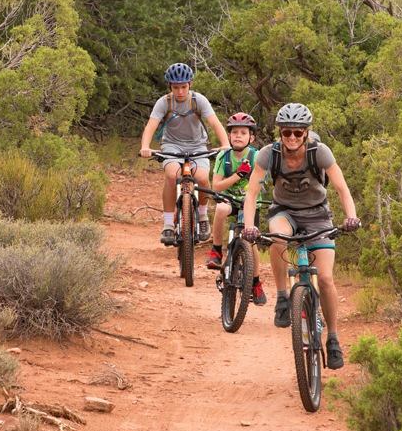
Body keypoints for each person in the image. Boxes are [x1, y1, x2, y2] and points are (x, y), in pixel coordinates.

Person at [240, 103, 361, 369]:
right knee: (277, 237)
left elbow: (342, 188)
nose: (292, 137)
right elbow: (251, 194)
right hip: (285, 212)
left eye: (297, 132)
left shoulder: (320, 152)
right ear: (279, 132)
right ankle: (283, 298)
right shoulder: (267, 154)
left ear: (306, 133)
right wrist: (249, 226)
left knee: (326, 279)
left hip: (318, 214)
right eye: (286, 132)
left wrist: (350, 217)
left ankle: (332, 338)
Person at [138, 63, 230, 247]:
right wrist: (145, 146)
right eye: (175, 87)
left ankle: (202, 215)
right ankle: (168, 224)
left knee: (203, 178)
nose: (180, 91)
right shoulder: (164, 102)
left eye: (184, 87)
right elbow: (151, 126)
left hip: (198, 146)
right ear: (170, 87)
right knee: (172, 176)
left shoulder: (199, 100)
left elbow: (215, 123)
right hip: (172, 146)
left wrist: (225, 144)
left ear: (190, 84)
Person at [206, 112, 268, 305]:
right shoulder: (223, 156)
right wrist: (238, 175)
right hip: (228, 199)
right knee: (221, 209)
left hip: (250, 202)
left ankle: (256, 283)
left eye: (243, 132)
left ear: (251, 137)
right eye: (234, 132)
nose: (238, 136)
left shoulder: (257, 156)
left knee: (252, 241)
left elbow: (260, 182)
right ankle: (216, 251)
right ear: (229, 136)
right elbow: (216, 186)